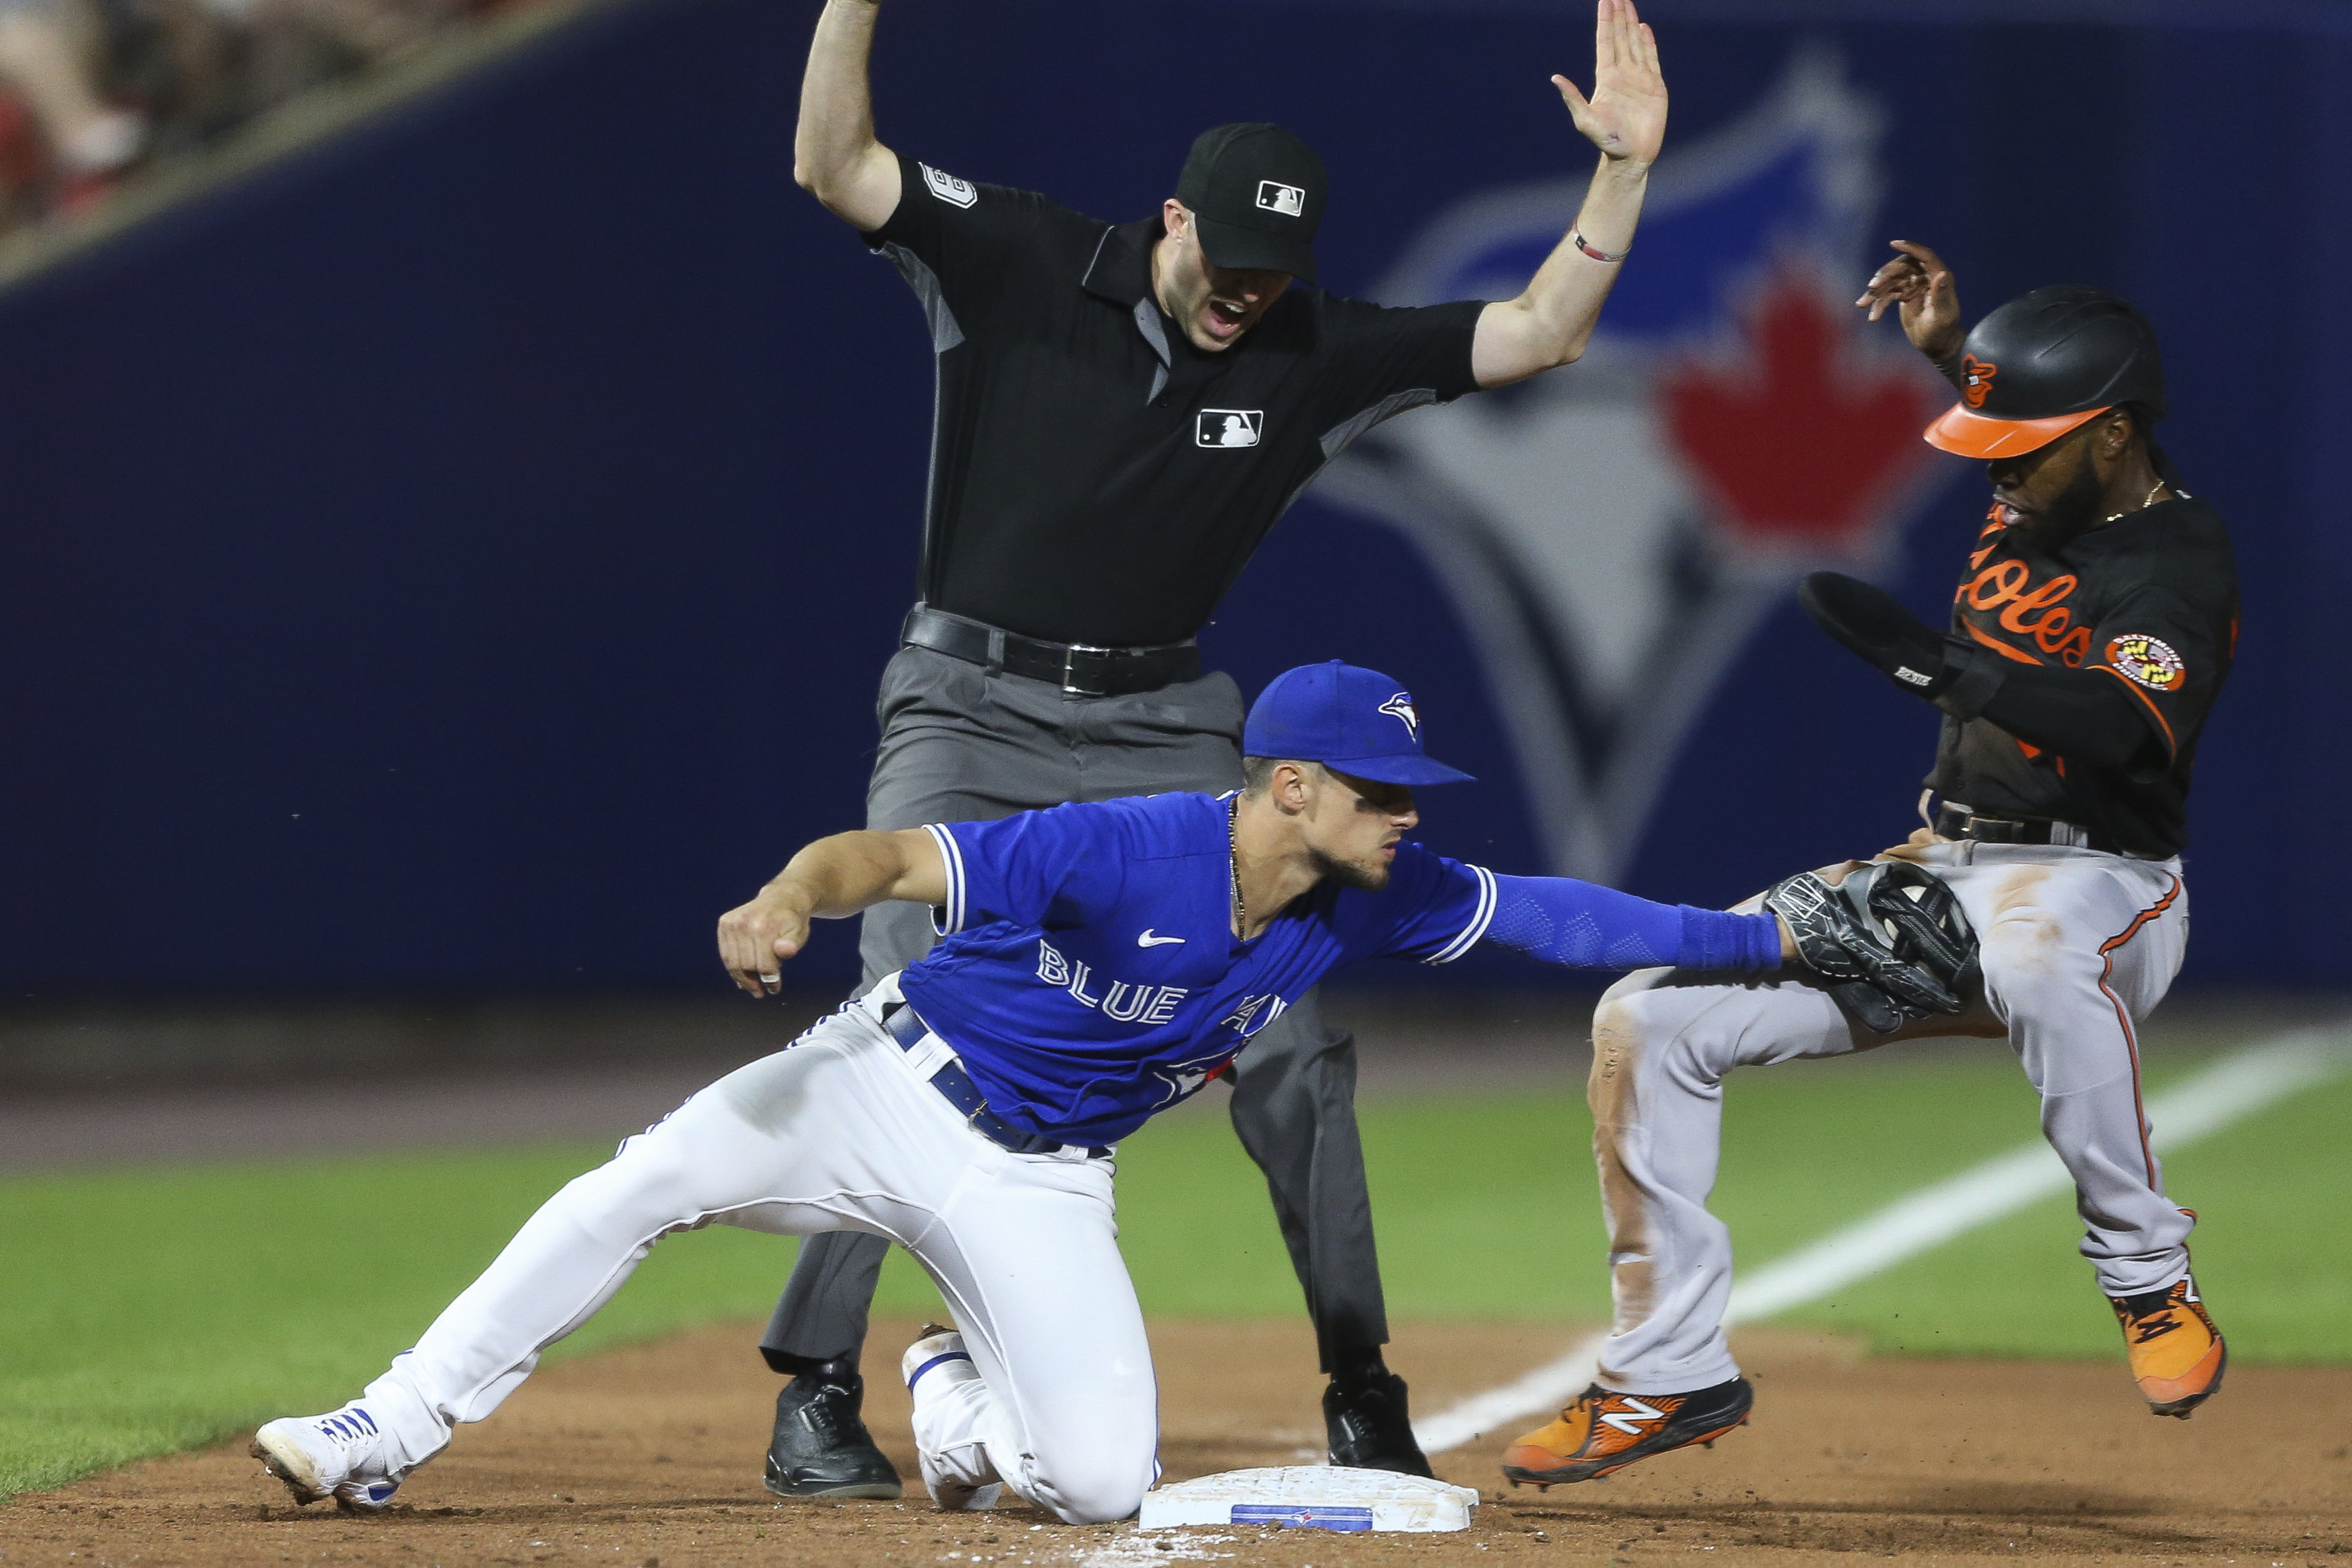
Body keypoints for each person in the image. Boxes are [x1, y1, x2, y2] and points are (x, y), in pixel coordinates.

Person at [247, 661, 1946, 1524]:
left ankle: (946, 1384)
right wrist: (787, 898)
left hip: (1039, 1178)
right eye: (1381, 788)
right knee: (637, 1183)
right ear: (1288, 784)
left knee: (1099, 1485)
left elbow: (1563, 914)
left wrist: (1745, 936)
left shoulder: (1376, 890)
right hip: (878, 1086)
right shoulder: (1120, 841)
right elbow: (887, 852)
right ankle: (382, 1426)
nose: (1410, 814)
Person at [762, 0, 1672, 1497]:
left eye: (1274, 271)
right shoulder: (1021, 259)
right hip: (968, 704)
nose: (1247, 293)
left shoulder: (1305, 348)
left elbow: (1535, 333)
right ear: (1172, 219)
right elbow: (831, 161)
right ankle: (811, 1384)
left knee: (1290, 1036)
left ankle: (1358, 1380)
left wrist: (1621, 173)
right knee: (901, 998)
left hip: (1161, 721)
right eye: (1228, 259)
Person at [1496, 245, 2238, 1491]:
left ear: (2112, 438)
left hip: (2105, 884)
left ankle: (2146, 1277)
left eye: (2030, 442)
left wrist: (1957, 676)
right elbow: (2023, 424)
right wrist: (1952, 353)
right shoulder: (2049, 481)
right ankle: (1667, 1373)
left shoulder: (2174, 559)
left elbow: (2125, 726)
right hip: (1938, 866)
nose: (2000, 462)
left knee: (2036, 953)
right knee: (1647, 1017)